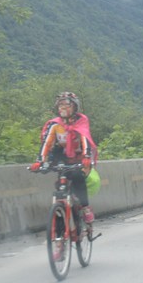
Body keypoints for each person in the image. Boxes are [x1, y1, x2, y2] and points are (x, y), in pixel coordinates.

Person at [30, 91, 97, 224]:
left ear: (75, 107)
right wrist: (40, 161)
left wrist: (86, 157)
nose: (63, 108)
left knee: (78, 178)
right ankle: (60, 214)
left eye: (67, 105)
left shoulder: (81, 122)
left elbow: (85, 140)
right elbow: (47, 143)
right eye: (60, 105)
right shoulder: (54, 124)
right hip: (63, 156)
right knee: (61, 180)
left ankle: (85, 208)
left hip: (79, 157)